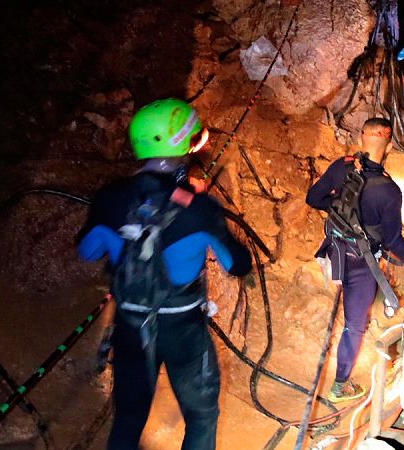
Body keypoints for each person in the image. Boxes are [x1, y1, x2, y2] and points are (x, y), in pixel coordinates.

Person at [77, 98, 252, 450]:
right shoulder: (199, 208)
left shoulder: (109, 198)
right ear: (183, 143)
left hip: (130, 325)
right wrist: (205, 212)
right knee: (201, 416)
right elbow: (237, 265)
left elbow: (88, 251)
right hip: (182, 329)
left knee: (128, 418)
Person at [306, 118, 404, 402]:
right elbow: (393, 241)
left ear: (361, 137)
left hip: (334, 250)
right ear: (389, 144)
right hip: (361, 264)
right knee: (354, 325)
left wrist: (340, 208)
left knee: (354, 308)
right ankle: (340, 386)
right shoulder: (389, 190)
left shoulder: (341, 166)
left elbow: (313, 198)